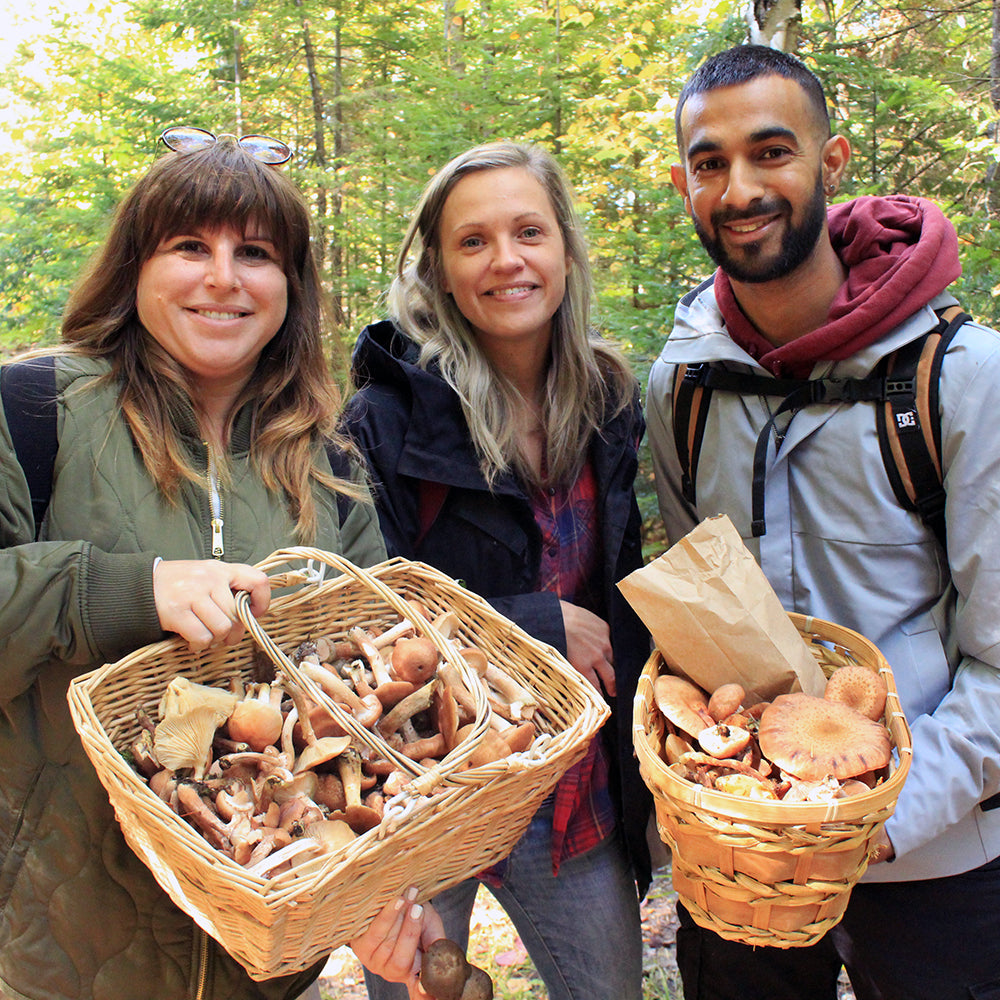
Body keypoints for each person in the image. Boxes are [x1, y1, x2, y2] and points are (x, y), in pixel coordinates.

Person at [646, 44, 1000, 1000]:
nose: (740, 190)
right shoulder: (682, 386)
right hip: (744, 857)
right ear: (684, 185)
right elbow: (700, 623)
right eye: (711, 164)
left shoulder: (961, 379)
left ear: (832, 161)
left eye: (772, 152)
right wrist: (730, 807)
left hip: (938, 860)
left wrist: (871, 820)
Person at [0, 128, 388, 1000]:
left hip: (271, 963)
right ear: (134, 267)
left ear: (290, 286)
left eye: (255, 253)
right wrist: (114, 590)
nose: (223, 278)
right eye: (188, 247)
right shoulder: (32, 410)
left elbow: (371, 708)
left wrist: (373, 882)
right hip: (67, 957)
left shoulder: (331, 464)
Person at [340, 140, 653, 1000]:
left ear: (565, 251)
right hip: (423, 792)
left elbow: (619, 576)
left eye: (528, 232)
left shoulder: (607, 397)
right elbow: (357, 614)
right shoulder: (385, 419)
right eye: (473, 241)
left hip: (570, 788)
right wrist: (533, 626)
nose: (506, 260)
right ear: (440, 272)